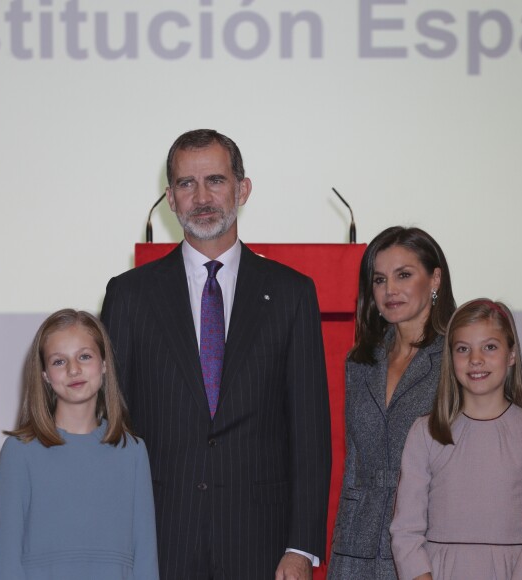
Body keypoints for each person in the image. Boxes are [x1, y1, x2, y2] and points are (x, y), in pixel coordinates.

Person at [101, 129, 331, 580]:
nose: (201, 196)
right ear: (170, 198)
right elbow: (112, 423)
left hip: (262, 542)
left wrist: (301, 547)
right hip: (159, 537)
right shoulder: (129, 295)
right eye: (186, 184)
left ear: (242, 188)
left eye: (216, 181)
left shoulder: (291, 294)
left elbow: (309, 431)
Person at [390, 299, 522, 579]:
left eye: (490, 347)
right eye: (463, 349)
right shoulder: (426, 432)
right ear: (451, 357)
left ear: (512, 354)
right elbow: (405, 529)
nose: (475, 359)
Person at [0, 309, 158, 580]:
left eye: (84, 356)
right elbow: (6, 561)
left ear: (104, 363)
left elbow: (146, 559)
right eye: (59, 361)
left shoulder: (133, 451)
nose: (73, 369)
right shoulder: (20, 451)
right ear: (44, 374)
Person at [327, 226, 456, 579]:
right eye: (380, 279)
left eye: (404, 275)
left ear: (435, 279)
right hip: (356, 546)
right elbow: (354, 463)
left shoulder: (456, 358)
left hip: (427, 545)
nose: (390, 290)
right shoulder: (360, 361)